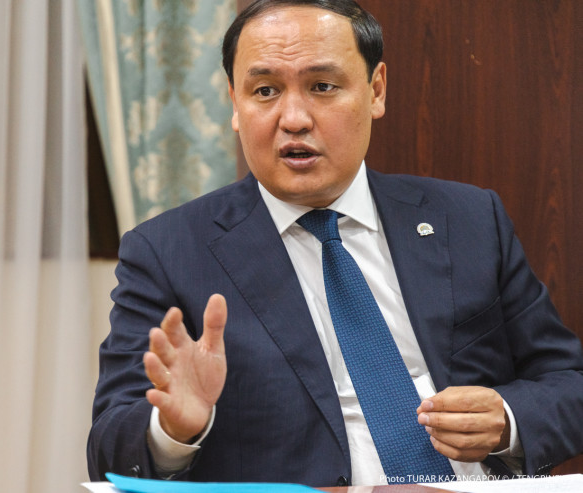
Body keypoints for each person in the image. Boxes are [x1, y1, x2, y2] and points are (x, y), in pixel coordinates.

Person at [87, 0, 583, 486]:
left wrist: (507, 419)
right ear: (235, 103)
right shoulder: (167, 251)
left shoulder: (469, 218)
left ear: (376, 90)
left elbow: (569, 382)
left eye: (322, 86)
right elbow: (109, 448)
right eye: (265, 90)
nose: (294, 119)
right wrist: (173, 430)